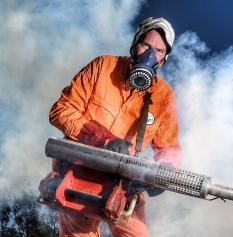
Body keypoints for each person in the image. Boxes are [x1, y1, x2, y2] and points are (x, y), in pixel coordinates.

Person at [48, 17, 182, 237]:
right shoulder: (102, 68)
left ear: (164, 59)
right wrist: (105, 140)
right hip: (80, 173)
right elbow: (62, 110)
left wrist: (166, 170)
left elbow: (169, 147)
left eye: (158, 51)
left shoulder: (163, 97)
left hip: (126, 184)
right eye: (146, 46)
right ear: (134, 44)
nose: (150, 55)